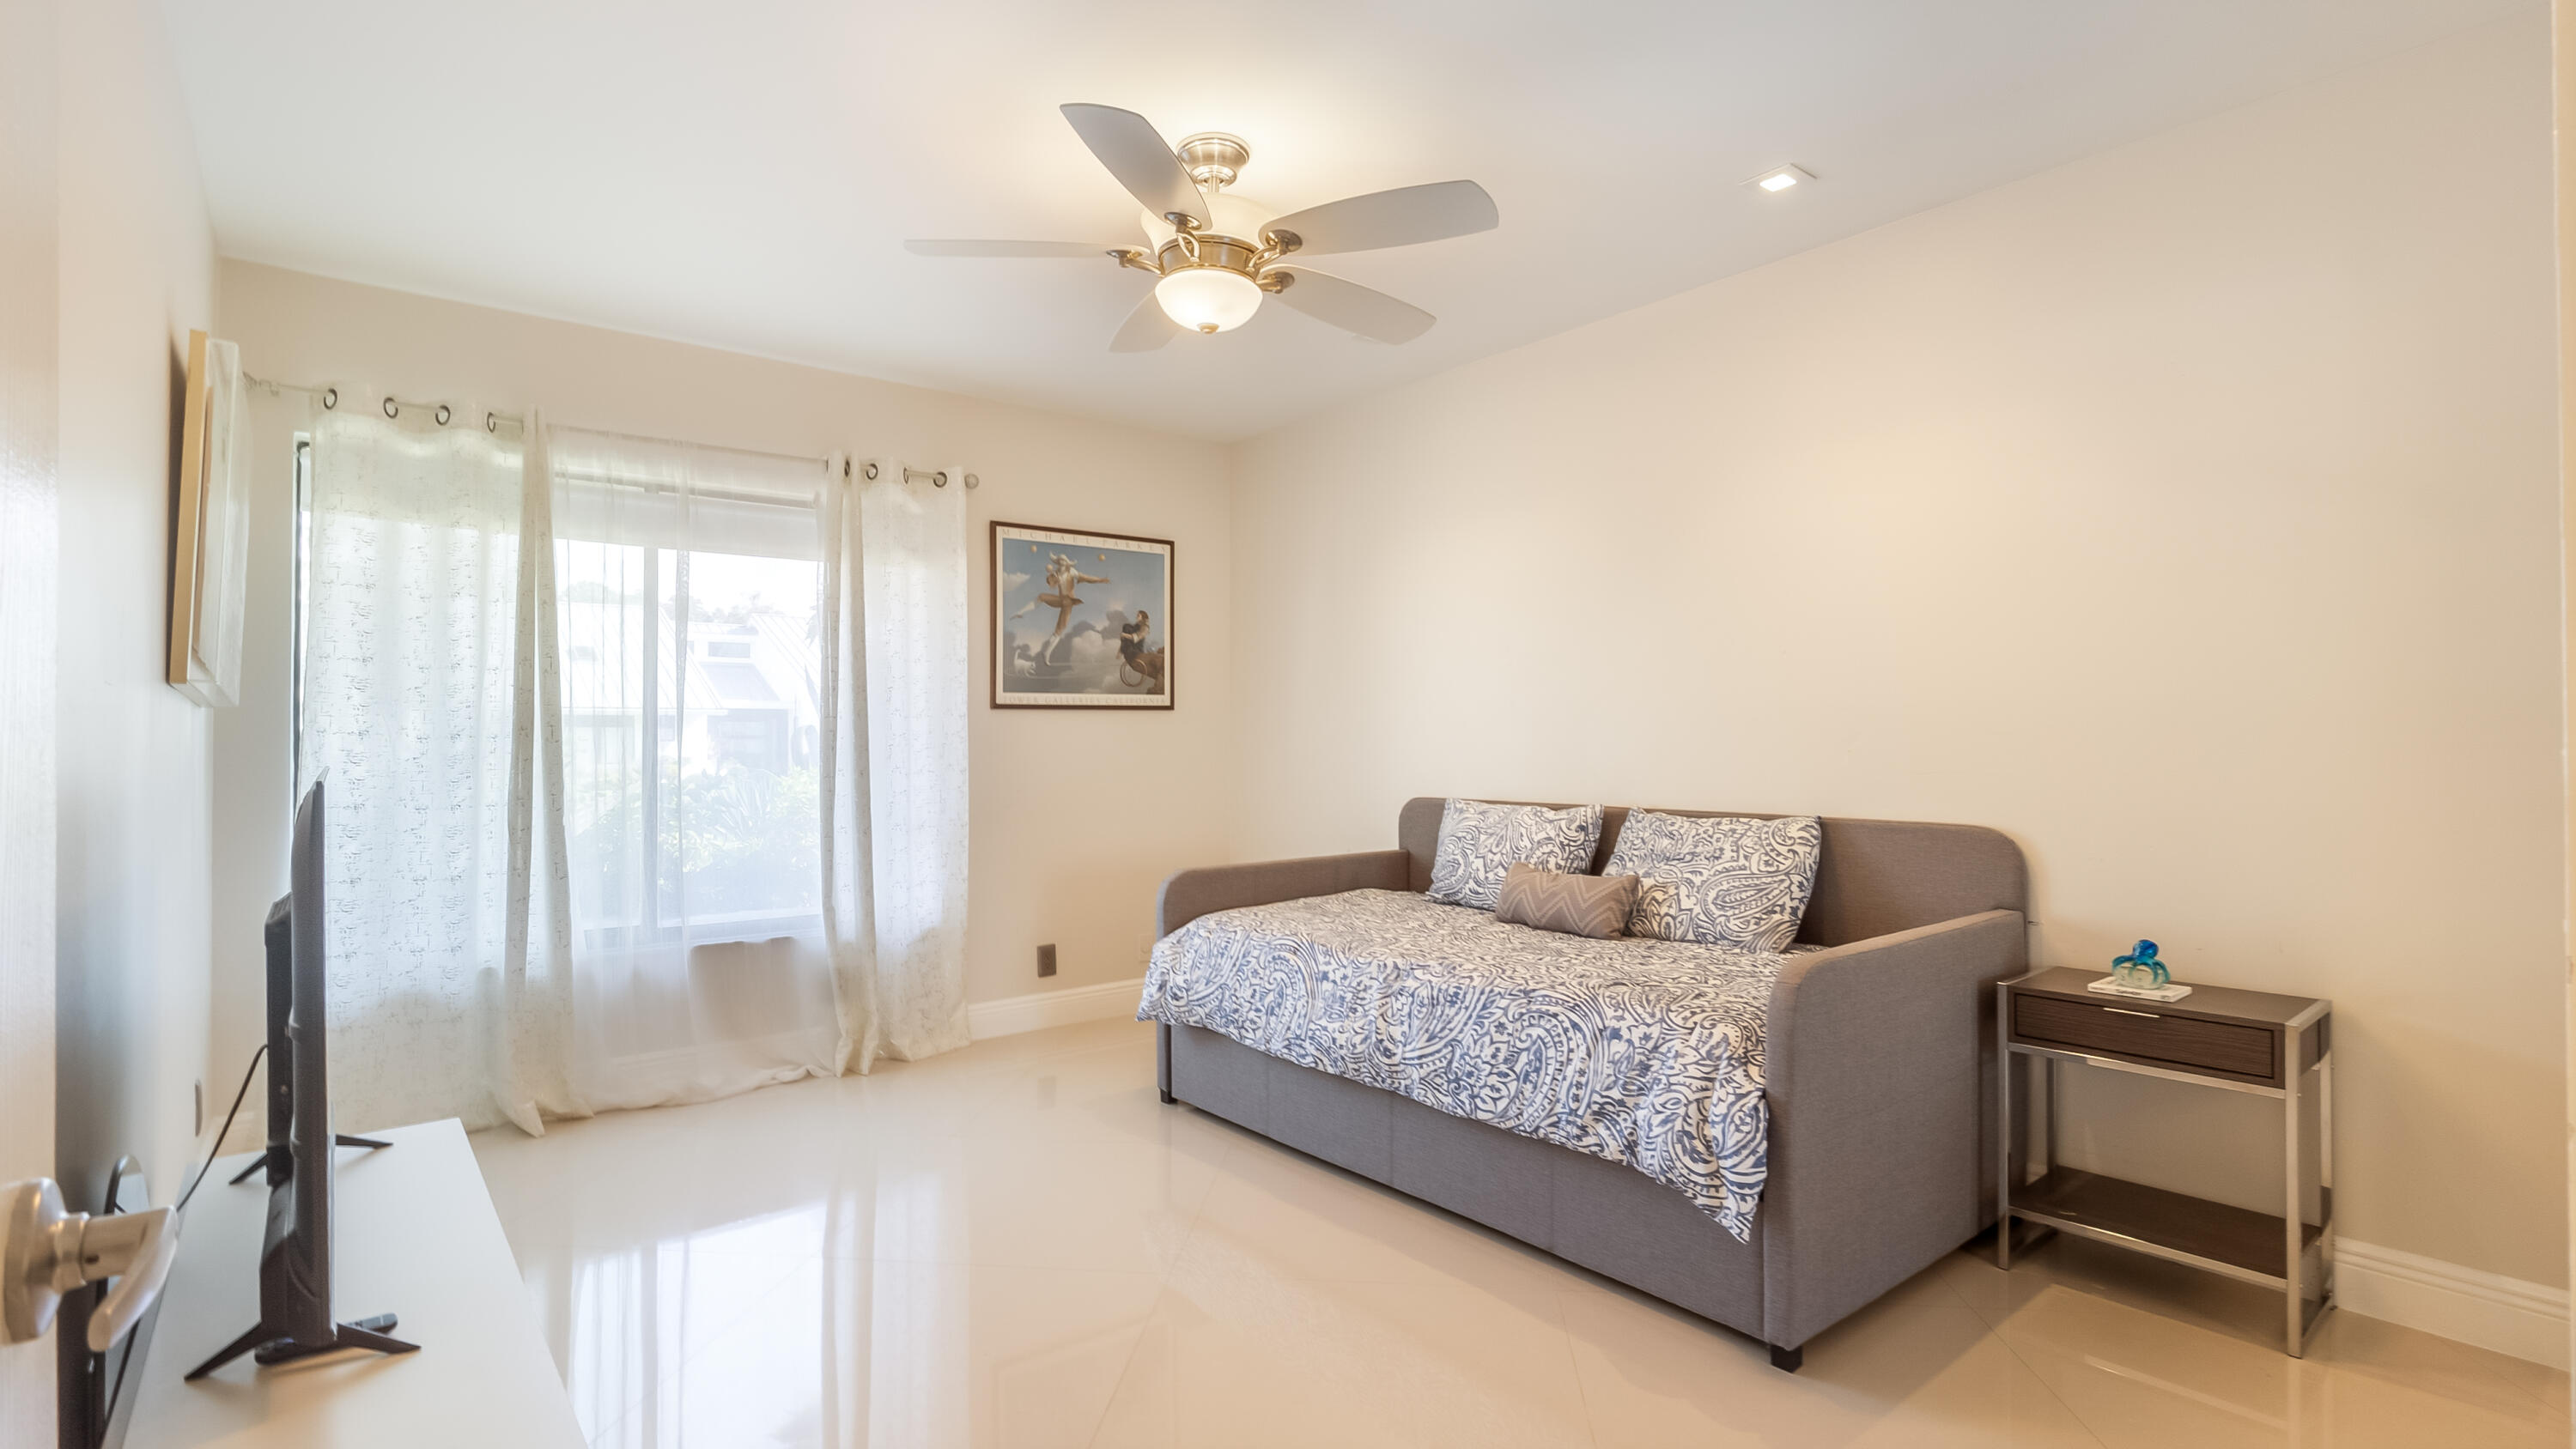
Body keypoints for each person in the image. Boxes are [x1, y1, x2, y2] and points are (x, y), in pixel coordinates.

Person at [1031, 553, 1108, 668]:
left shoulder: (1071, 571)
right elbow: (1050, 583)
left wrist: (1100, 580)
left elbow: (1086, 578)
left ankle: (1047, 651)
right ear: (1058, 563)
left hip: (1068, 602)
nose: (1062, 563)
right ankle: (1047, 652)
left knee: (1060, 630)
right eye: (1060, 561)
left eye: (1064, 561)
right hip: (1061, 601)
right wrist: (1050, 578)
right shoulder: (1056, 573)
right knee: (1059, 630)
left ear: (1066, 563)